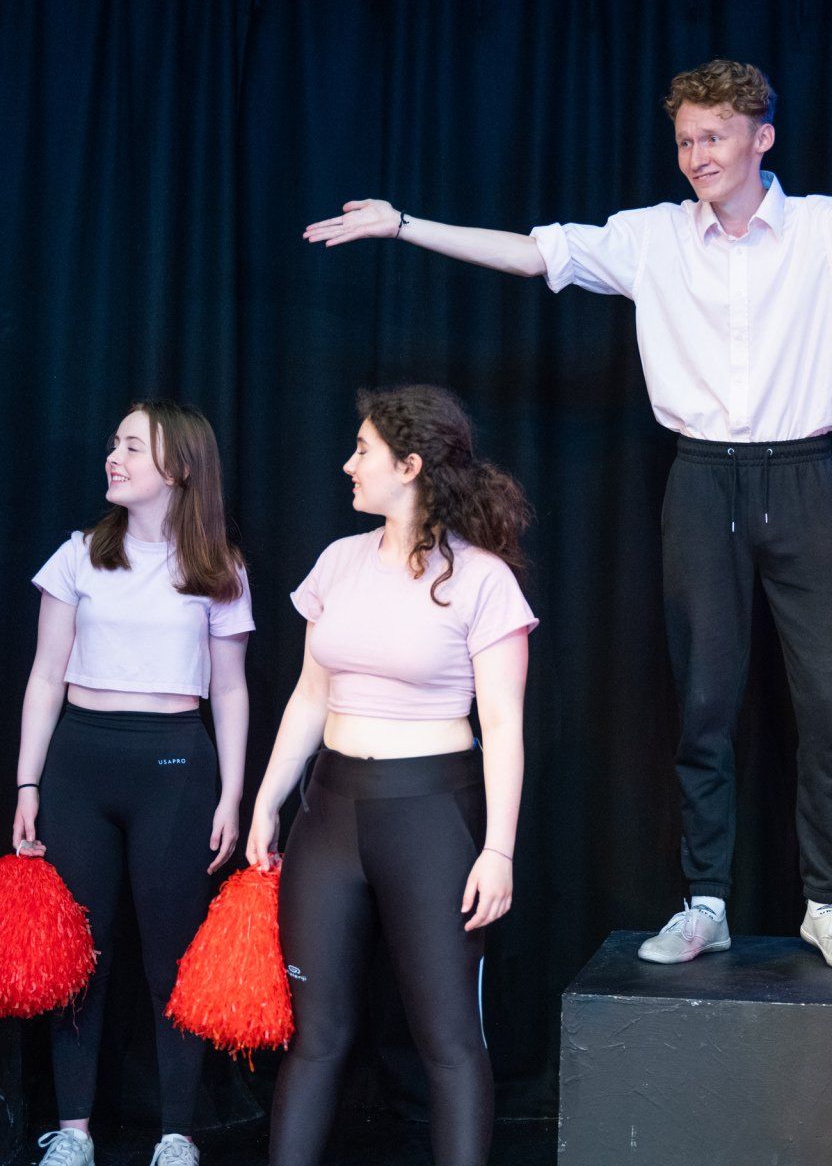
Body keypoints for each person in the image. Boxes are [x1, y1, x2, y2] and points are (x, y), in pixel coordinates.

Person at [305, 59, 832, 971]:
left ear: (762, 138)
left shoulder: (825, 229)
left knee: (827, 704)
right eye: (684, 140)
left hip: (804, 479)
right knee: (706, 703)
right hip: (703, 481)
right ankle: (704, 900)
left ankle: (829, 903)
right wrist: (403, 224)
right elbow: (532, 252)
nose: (696, 155)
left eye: (713, 136)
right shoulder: (651, 239)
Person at [247, 385, 535, 1166]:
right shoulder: (338, 563)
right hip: (330, 814)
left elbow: (503, 726)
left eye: (363, 450)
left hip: (431, 817)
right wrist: (268, 801)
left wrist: (498, 851)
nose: (348, 464)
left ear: (409, 466)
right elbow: (310, 696)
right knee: (316, 1037)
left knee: (448, 1038)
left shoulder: (482, 580)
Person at [12, 402, 252, 1166]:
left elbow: (231, 690)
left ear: (178, 468)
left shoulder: (218, 567)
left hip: (175, 768)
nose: (112, 456)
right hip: (80, 765)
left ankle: (176, 1134)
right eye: (113, 442)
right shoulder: (79, 555)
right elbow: (45, 675)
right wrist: (27, 783)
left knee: (171, 960)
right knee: (77, 954)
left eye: (132, 447)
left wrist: (233, 794)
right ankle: (73, 1132)